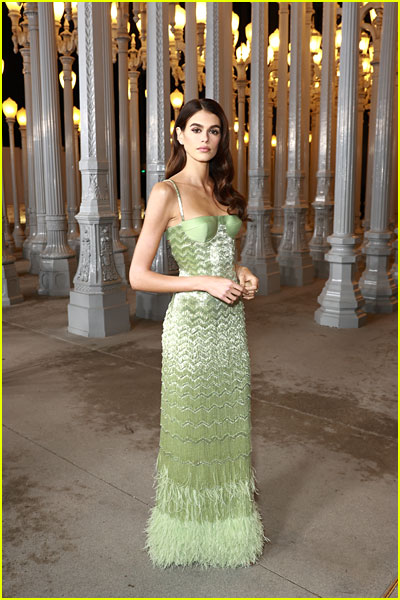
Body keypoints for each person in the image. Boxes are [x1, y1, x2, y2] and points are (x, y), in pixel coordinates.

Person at [129, 98, 269, 569]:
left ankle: (228, 530)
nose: (205, 138)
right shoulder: (165, 192)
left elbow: (226, 258)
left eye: (213, 131)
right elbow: (138, 276)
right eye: (196, 129)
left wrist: (241, 274)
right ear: (179, 134)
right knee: (192, 430)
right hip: (190, 328)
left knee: (229, 426)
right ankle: (184, 532)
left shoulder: (222, 190)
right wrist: (204, 282)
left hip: (229, 329)